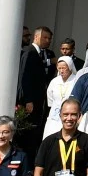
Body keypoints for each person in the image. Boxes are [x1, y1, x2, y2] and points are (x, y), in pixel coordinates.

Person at [16, 26, 53, 154]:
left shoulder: (40, 53)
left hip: (38, 102)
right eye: (45, 37)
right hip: (30, 103)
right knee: (27, 134)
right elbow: (24, 77)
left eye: (49, 38)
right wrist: (28, 100)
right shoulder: (30, 52)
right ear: (36, 37)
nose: (48, 41)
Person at [42, 56, 79, 140]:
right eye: (59, 68)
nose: (61, 70)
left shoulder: (76, 80)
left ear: (69, 67)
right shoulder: (55, 81)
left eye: (64, 68)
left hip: (69, 114)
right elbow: (50, 97)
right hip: (54, 114)